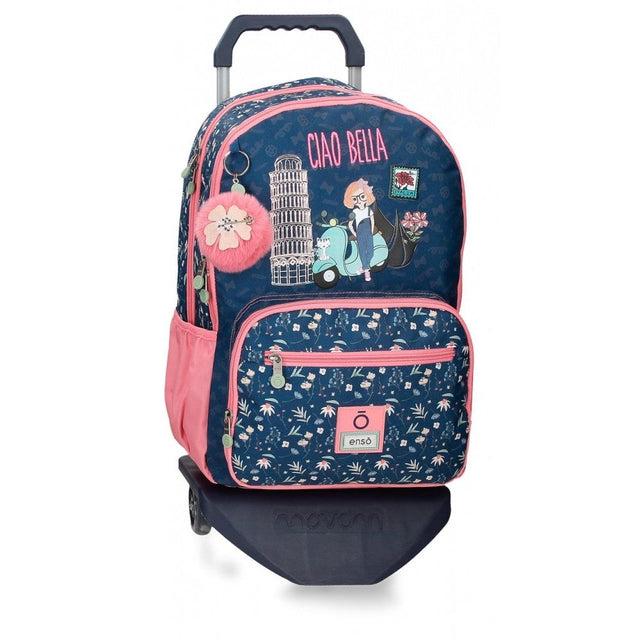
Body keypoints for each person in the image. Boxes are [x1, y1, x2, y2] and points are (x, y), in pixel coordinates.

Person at [344, 179, 376, 281]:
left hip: (368, 233)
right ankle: (367, 272)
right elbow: (350, 225)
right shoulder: (355, 212)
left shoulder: (368, 210)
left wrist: (371, 231)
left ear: (367, 195)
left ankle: (362, 268)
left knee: (371, 252)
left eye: (362, 196)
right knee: (362, 252)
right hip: (360, 234)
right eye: (355, 198)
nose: (359, 200)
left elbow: (372, 221)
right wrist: (355, 234)